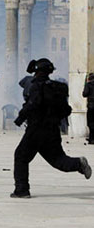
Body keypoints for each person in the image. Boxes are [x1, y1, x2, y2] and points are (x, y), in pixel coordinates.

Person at [12, 59, 92, 198]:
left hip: (36, 130)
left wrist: (20, 118)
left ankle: (22, 190)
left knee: (21, 157)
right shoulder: (57, 88)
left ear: (37, 71)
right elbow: (66, 110)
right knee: (58, 160)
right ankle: (78, 163)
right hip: (52, 131)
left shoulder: (37, 86)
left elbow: (32, 104)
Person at [82, 73, 94, 144]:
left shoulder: (88, 85)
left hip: (91, 106)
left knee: (91, 122)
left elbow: (84, 94)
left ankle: (92, 138)